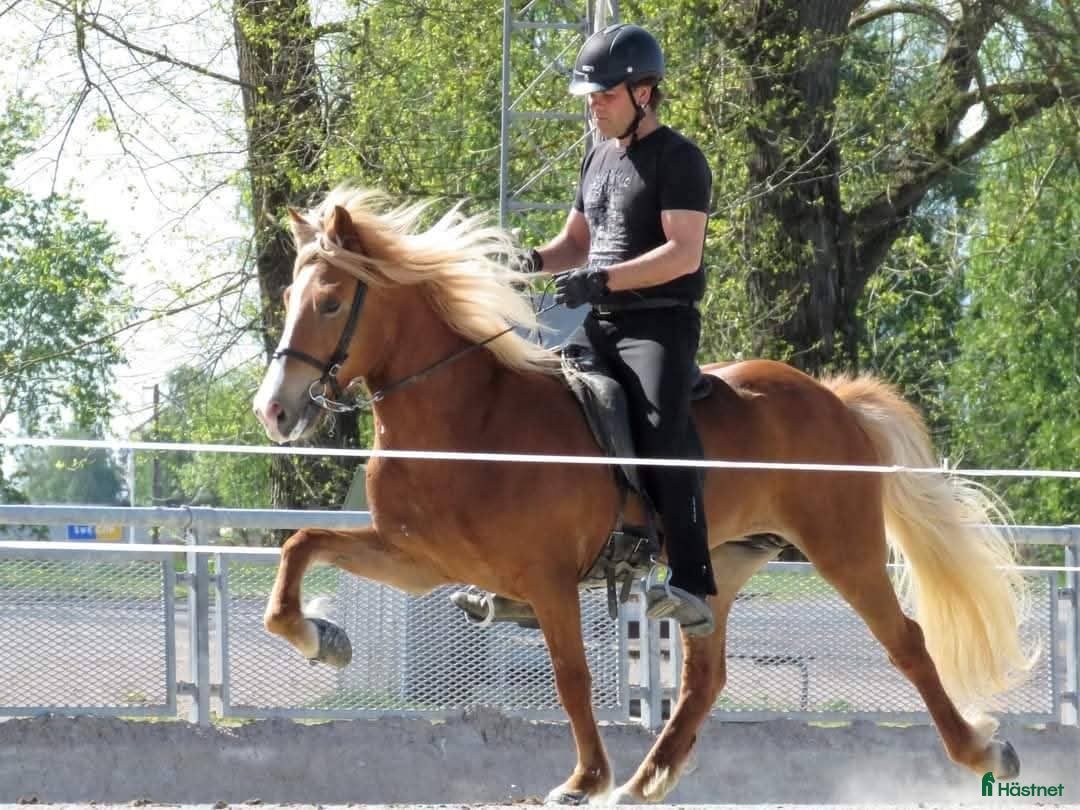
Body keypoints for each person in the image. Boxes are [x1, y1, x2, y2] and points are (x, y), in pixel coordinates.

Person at [455, 23, 718, 636]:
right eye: (590, 97)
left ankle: (691, 579)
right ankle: (532, 574)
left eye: (602, 95)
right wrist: (531, 263)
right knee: (540, 408)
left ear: (644, 93)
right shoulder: (596, 155)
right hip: (600, 323)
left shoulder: (681, 160)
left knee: (659, 428)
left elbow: (684, 253)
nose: (593, 106)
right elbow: (577, 243)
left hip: (659, 327)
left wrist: (603, 282)